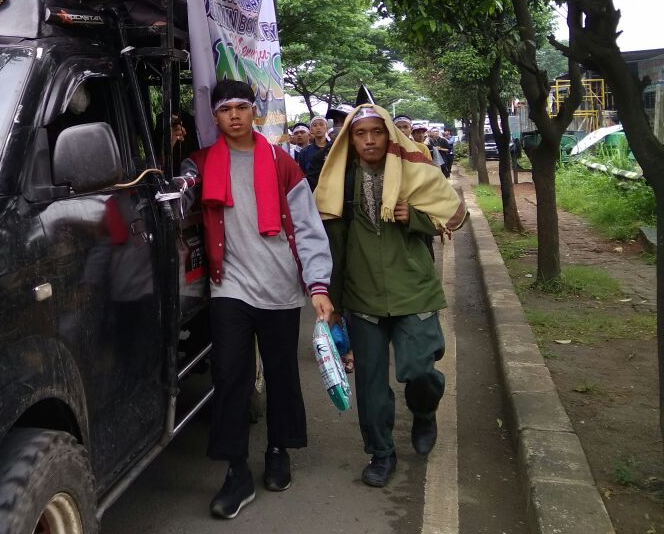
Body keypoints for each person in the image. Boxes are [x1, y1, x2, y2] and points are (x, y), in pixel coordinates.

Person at [174, 79, 334, 519]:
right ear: (215, 117)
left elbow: (306, 228)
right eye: (226, 109)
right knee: (229, 377)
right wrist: (175, 165)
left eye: (243, 107)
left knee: (282, 374)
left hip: (281, 289)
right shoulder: (201, 164)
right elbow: (175, 193)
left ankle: (278, 450)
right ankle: (236, 470)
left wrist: (317, 286)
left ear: (254, 111)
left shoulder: (283, 165)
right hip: (231, 288)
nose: (236, 116)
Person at [314, 104, 467, 489]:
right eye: (360, 133)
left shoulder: (415, 174)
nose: (369, 140)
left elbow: (447, 217)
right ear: (350, 139)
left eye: (376, 132)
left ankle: (425, 410)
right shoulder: (340, 183)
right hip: (362, 295)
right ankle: (381, 452)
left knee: (419, 370)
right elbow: (335, 244)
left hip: (412, 289)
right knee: (369, 383)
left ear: (389, 136)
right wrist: (331, 301)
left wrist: (412, 215)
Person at [298, 115, 332, 190]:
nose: (318, 127)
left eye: (321, 124)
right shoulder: (304, 152)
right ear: (310, 130)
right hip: (312, 189)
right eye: (315, 125)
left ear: (327, 128)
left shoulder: (334, 148)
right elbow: (302, 174)